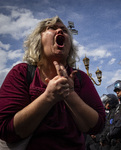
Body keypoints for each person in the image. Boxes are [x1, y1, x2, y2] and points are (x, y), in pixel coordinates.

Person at [0, 16, 105, 150]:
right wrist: (49, 96)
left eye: (64, 30)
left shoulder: (81, 78)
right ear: (38, 40)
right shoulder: (21, 73)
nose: (60, 32)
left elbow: (98, 126)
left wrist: (70, 95)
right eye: (52, 28)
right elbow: (5, 129)